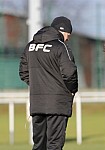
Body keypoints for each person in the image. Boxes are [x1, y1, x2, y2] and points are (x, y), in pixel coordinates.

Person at [19, 16, 78, 150]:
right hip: (57, 104)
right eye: (68, 35)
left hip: (37, 103)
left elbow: (23, 72)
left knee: (39, 145)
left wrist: (39, 85)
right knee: (54, 145)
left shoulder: (30, 46)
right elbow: (70, 73)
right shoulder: (61, 46)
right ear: (62, 31)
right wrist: (70, 90)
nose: (68, 38)